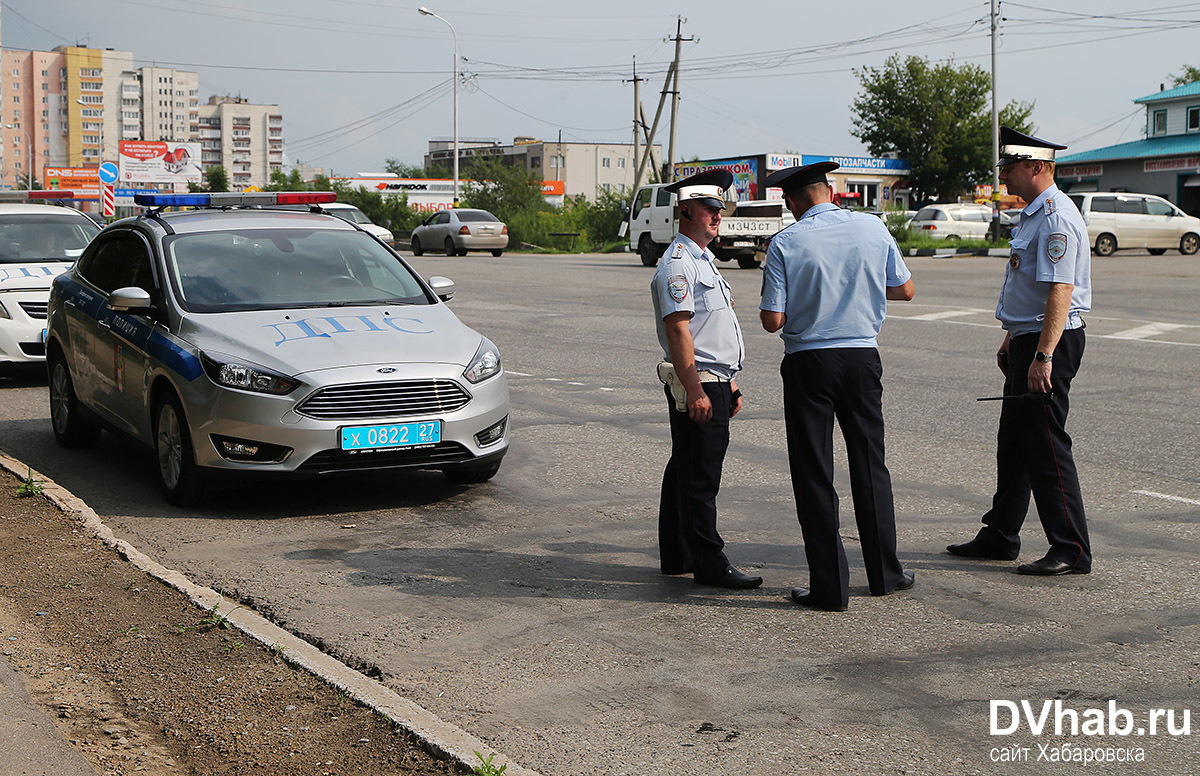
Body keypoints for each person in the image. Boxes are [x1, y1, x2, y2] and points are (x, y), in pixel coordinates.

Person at [758, 161, 915, 611]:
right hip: (863, 358)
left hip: (810, 363)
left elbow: (773, 321)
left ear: (792, 202)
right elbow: (905, 290)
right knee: (870, 465)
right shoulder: (872, 228)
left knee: (814, 473)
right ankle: (886, 574)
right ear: (829, 190)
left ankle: (830, 588)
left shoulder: (786, 242)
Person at [947, 126, 1092, 576]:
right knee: (1014, 442)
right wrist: (1013, 337)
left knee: (1047, 445)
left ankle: (1071, 548)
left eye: (1009, 168)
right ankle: (1000, 534)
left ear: (1036, 166)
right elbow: (1028, 288)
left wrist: (1044, 355)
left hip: (1052, 341)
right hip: (1029, 338)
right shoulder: (1033, 214)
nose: (1004, 177)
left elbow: (1060, 289)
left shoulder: (1056, 218)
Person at [651, 168, 761, 590]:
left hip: (714, 378)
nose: (718, 217)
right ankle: (708, 562)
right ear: (686, 212)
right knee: (701, 477)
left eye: (720, 210)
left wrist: (728, 381)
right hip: (698, 381)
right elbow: (679, 330)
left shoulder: (701, 261)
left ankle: (677, 554)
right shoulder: (679, 265)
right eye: (710, 210)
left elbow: (709, 329)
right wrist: (697, 387)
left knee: (686, 467)